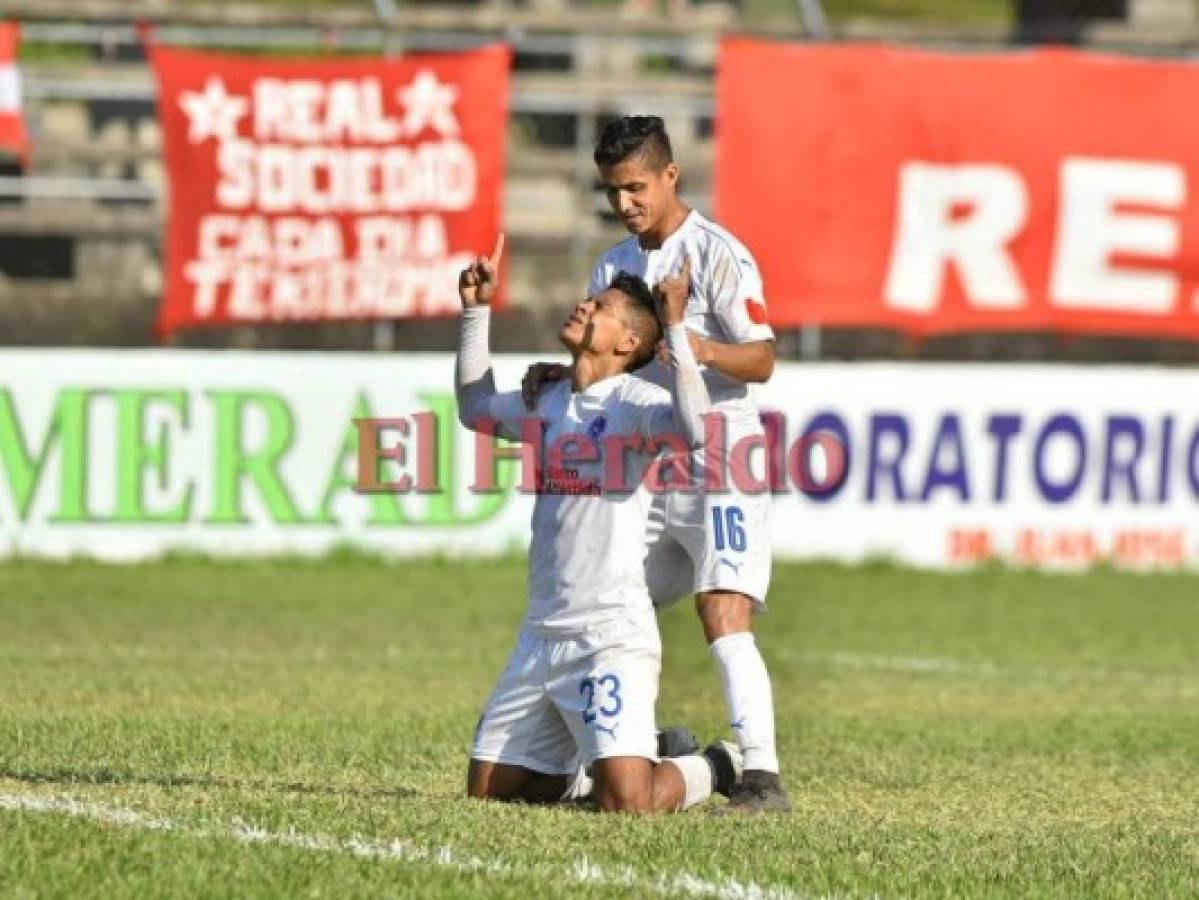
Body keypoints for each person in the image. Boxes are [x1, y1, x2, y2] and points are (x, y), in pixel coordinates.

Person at [523, 116, 790, 813]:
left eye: (636, 187)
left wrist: (696, 347)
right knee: (613, 602)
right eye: (613, 191)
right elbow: (605, 360)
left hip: (720, 460)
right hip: (646, 464)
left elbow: (760, 359)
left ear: (670, 175)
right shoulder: (611, 265)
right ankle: (641, 742)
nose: (625, 204)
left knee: (720, 607)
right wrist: (559, 373)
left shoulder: (719, 254)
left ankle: (757, 770)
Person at [458, 235, 740, 812]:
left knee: (629, 805)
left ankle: (714, 764)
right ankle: (596, 767)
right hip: (541, 635)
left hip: (609, 635)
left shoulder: (634, 404)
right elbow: (475, 410)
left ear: (630, 341)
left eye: (602, 307)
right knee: (489, 793)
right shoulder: (548, 397)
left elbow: (694, 431)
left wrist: (679, 327)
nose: (585, 305)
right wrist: (475, 310)